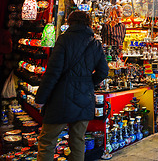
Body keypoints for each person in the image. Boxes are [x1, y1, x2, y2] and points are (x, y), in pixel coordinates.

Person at [35, 11, 109, 161]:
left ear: (70, 22)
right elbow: (103, 71)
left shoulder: (64, 40)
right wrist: (88, 83)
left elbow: (53, 72)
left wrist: (41, 98)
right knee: (77, 141)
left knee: (47, 141)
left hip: (60, 98)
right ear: (88, 24)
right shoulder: (95, 43)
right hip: (84, 99)